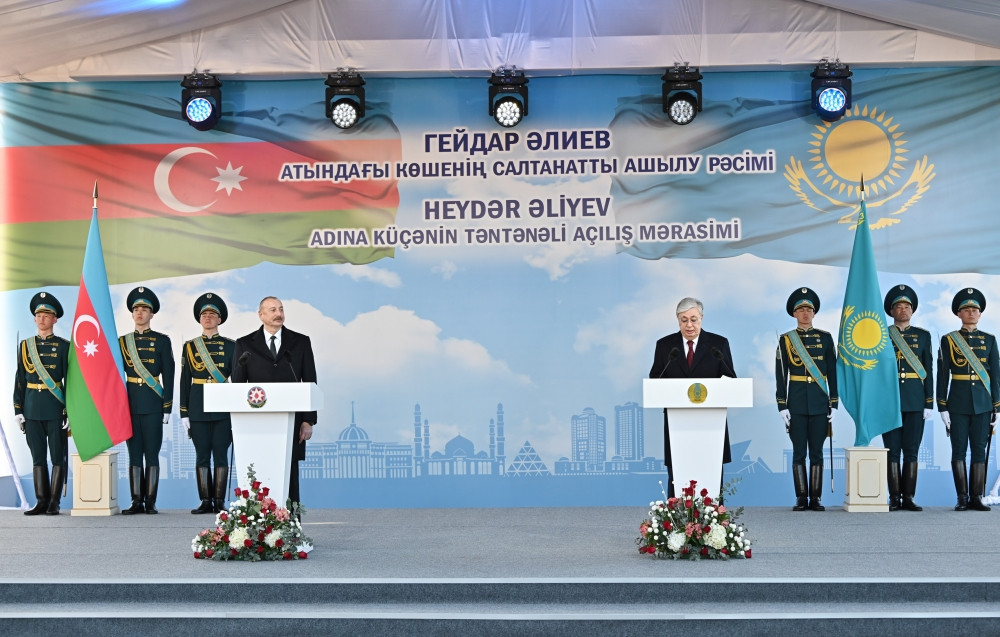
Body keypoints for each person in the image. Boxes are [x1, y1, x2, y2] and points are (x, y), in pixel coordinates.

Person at [231, 296, 317, 509]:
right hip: (256, 424)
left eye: (280, 309)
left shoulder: (300, 342)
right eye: (272, 310)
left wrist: (308, 420)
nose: (278, 314)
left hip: (291, 421)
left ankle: (293, 529)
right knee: (258, 474)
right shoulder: (244, 344)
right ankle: (260, 526)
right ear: (261, 315)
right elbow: (238, 385)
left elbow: (310, 381)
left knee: (290, 474)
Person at [648, 297, 736, 498]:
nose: (689, 325)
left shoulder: (718, 344)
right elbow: (656, 380)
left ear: (702, 319)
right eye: (684, 320)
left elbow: (731, 379)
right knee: (677, 474)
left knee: (711, 472)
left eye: (694, 319)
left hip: (711, 424)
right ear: (677, 320)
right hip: (677, 423)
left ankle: (715, 517)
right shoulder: (665, 346)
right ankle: (677, 518)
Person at [776, 287, 838, 511]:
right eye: (801, 309)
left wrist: (834, 401)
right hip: (797, 403)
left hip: (820, 403)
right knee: (799, 451)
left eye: (809, 309)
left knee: (817, 452)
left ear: (814, 313)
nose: (805, 313)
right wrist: (782, 404)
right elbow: (781, 374)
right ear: (794, 313)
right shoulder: (786, 340)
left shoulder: (825, 338)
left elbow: (833, 371)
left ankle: (816, 498)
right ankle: (801, 497)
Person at [937, 288, 1000, 512]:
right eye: (967, 309)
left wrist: (997, 407)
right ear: (958, 313)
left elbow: (996, 376)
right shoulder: (949, 340)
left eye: (975, 309)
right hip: (958, 403)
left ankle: (976, 497)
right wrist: (942, 406)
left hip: (983, 403)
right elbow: (943, 375)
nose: (972, 313)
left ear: (980, 313)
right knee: (958, 450)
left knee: (979, 450)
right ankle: (962, 497)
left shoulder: (990, 340)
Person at [13, 292, 70, 515]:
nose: (42, 318)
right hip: (32, 409)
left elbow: (71, 382)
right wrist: (18, 409)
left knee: (57, 456)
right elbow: (19, 380)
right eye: (38, 314)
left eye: (47, 314)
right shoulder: (25, 346)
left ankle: (54, 502)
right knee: (37, 457)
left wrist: (69, 412)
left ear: (55, 319)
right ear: (34, 318)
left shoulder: (65, 347)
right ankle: (41, 501)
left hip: (55, 408)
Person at [119, 287, 174, 515]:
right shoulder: (122, 342)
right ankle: (136, 501)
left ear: (152, 314)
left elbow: (169, 374)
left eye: (144, 309)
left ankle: (150, 501)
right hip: (129, 405)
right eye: (136, 309)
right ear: (132, 314)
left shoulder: (161, 341)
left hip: (153, 403)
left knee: (151, 453)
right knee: (133, 454)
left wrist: (167, 405)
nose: (140, 313)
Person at [179, 293, 234, 514]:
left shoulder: (231, 346)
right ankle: (206, 501)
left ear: (220, 319)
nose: (208, 317)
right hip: (198, 407)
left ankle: (219, 501)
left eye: (212, 314)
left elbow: (238, 379)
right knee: (202, 455)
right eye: (204, 314)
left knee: (220, 454)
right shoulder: (190, 347)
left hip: (222, 408)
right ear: (199, 319)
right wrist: (184, 413)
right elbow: (184, 380)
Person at [882, 285, 934, 511]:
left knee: (911, 450)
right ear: (891, 311)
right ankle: (894, 497)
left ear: (912, 311)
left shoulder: (923, 336)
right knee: (892, 450)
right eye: (898, 307)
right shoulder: (881, 334)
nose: (903, 310)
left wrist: (929, 401)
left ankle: (908, 497)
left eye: (907, 306)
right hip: (889, 400)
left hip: (915, 399)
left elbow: (929, 370)